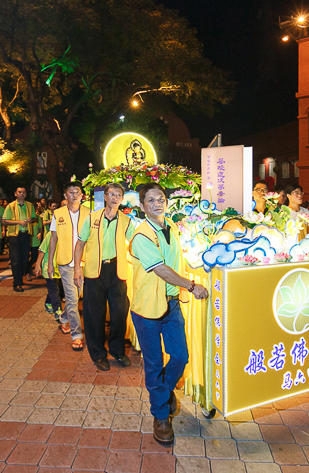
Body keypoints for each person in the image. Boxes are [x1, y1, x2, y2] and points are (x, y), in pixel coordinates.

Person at [129, 183, 208, 446]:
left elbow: (177, 260)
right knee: (153, 365)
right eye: (150, 200)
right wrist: (192, 285)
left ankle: (163, 392)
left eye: (160, 198)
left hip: (171, 304)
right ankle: (161, 416)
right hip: (147, 309)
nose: (157, 203)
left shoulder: (171, 226)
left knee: (180, 355)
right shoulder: (141, 235)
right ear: (142, 206)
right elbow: (160, 268)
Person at [73, 183, 135, 371]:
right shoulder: (92, 219)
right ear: (105, 197)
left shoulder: (126, 221)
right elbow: (80, 244)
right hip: (94, 271)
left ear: (122, 199)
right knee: (94, 316)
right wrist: (77, 268)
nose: (115, 198)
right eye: (111, 194)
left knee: (119, 313)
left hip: (117, 271)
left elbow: (134, 243)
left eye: (118, 195)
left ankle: (117, 350)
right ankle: (98, 354)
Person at [48, 182, 91, 351]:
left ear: (82, 195)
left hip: (83, 263)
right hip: (66, 264)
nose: (74, 195)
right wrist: (51, 264)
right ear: (65, 196)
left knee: (76, 297)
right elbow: (53, 239)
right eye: (71, 192)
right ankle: (77, 335)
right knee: (72, 300)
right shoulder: (57, 214)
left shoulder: (89, 213)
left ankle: (64, 317)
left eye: (77, 192)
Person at [2, 187, 38, 292]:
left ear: (26, 194)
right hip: (14, 235)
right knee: (15, 260)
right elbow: (4, 221)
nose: (21, 194)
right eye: (19, 192)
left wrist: (31, 219)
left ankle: (19, 278)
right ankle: (17, 283)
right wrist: (18, 222)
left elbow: (35, 218)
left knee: (24, 259)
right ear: (15, 194)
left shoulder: (29, 205)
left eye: (23, 192)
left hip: (26, 234)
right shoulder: (10, 206)